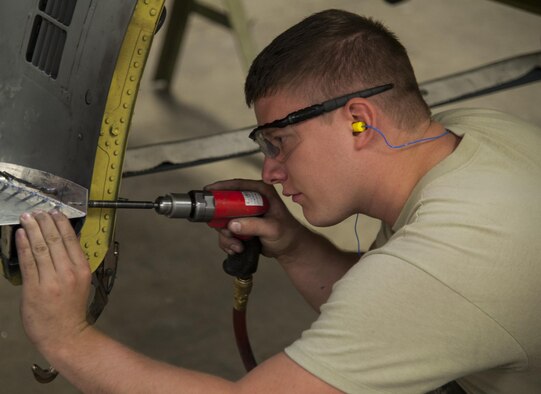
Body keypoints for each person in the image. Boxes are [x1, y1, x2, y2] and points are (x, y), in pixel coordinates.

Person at [15, 9, 541, 394]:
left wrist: (66, 338)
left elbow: (420, 294)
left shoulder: (443, 267)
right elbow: (414, 315)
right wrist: (294, 245)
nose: (268, 171)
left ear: (359, 119)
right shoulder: (481, 135)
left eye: (279, 141)